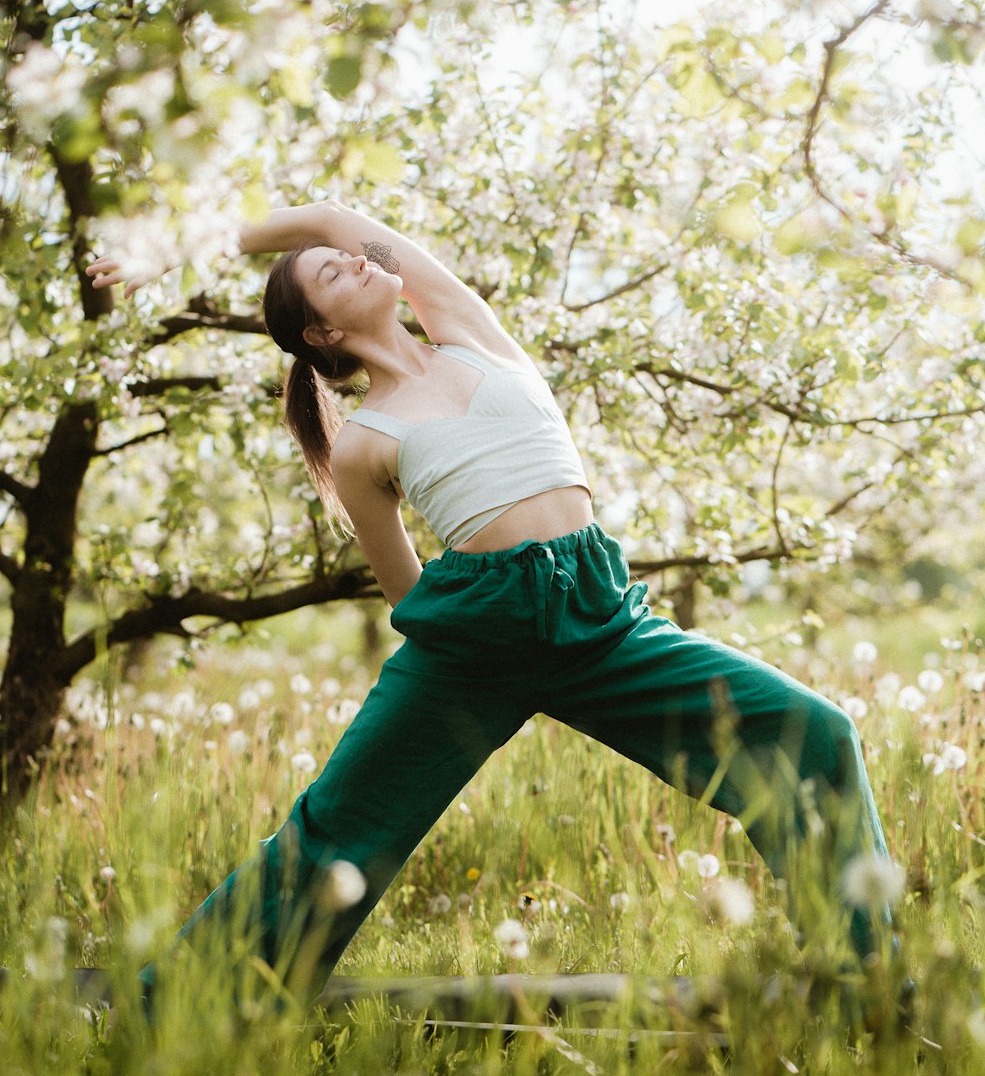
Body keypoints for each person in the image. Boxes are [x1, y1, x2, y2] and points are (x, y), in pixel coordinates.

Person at [86, 198, 907, 1016]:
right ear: (322, 335)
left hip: (600, 622)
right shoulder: (364, 444)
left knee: (813, 734)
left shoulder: (468, 333)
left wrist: (170, 248)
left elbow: (333, 216)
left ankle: (864, 978)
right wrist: (468, 652)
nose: (362, 260)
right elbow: (408, 591)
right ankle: (179, 1008)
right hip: (473, 642)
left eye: (357, 258)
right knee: (337, 831)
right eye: (336, 273)